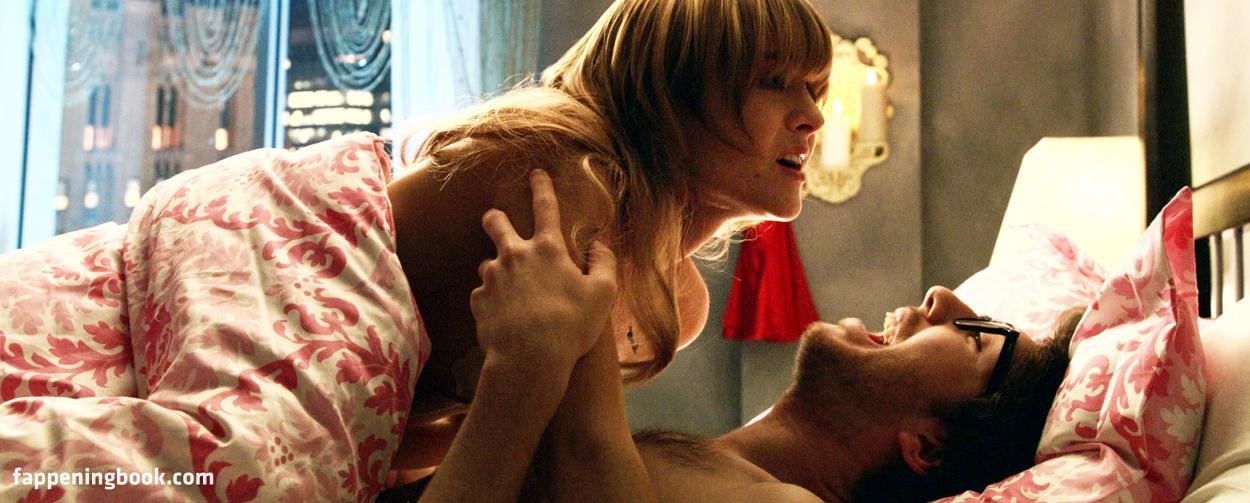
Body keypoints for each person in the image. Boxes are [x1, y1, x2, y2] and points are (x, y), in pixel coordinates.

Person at [0, 0, 833, 500]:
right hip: (279, 244)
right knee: (250, 475)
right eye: (775, 82)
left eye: (814, 88)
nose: (813, 115)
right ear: (672, 85)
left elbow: (442, 422)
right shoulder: (570, 181)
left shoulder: (675, 304)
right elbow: (583, 466)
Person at [451, 178, 1081, 501]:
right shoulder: (734, 469)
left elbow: (585, 460)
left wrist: (523, 367)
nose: (943, 297)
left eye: (976, 339)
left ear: (929, 447)